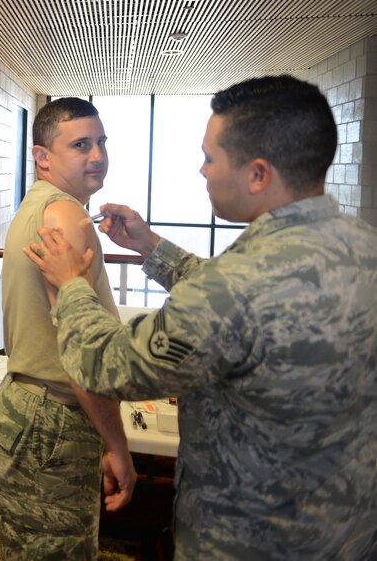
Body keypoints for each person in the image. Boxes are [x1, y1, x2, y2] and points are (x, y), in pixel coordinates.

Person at [26, 75, 377, 560]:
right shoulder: (363, 249)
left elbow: (106, 364)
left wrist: (70, 287)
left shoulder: (237, 285)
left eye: (211, 158)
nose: (202, 171)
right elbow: (239, 295)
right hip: (349, 533)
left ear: (257, 174)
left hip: (249, 540)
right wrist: (151, 248)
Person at [0, 97, 136, 560]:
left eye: (101, 142)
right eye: (80, 145)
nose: (97, 155)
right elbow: (80, 354)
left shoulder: (37, 207)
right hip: (54, 417)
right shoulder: (65, 216)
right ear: (42, 156)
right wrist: (117, 445)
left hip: (29, 406)